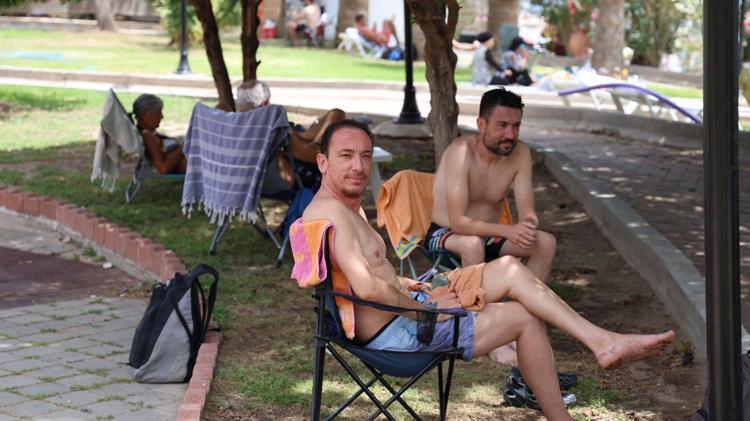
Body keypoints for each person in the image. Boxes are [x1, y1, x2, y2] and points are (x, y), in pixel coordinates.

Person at [301, 119, 675, 420]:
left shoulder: (344, 205)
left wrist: (409, 285)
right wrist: (426, 309)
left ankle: (602, 342)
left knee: (510, 267)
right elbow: (367, 289)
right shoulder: (332, 212)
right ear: (322, 162)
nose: (359, 166)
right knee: (524, 319)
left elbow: (366, 277)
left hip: (408, 307)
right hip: (399, 336)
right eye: (346, 156)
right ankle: (590, 366)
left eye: (365, 156)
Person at [430, 88, 555, 281]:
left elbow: (528, 212)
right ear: (481, 124)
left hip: (490, 235)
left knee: (546, 243)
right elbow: (458, 223)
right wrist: (508, 230)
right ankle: (474, 300)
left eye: (516, 126)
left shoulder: (520, 153)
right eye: (502, 125)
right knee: (472, 245)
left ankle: (525, 300)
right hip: (446, 233)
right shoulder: (461, 152)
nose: (510, 135)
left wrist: (527, 226)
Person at [132, 94, 187, 174]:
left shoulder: (149, 133)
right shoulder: (147, 135)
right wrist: (183, 147)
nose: (162, 116)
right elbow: (163, 168)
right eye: (158, 112)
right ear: (145, 114)